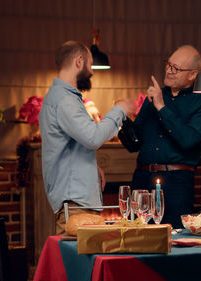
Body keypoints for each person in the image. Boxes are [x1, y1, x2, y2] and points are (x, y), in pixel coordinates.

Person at [39, 41, 135, 234]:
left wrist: (91, 168)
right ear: (79, 61)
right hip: (76, 206)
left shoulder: (59, 97)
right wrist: (120, 110)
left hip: (75, 202)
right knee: (79, 264)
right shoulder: (65, 100)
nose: (91, 72)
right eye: (90, 65)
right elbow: (93, 137)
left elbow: (69, 143)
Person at [129, 45, 201, 228]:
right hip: (142, 180)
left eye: (176, 68)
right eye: (168, 65)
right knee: (135, 236)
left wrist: (161, 107)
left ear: (192, 75)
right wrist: (121, 117)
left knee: (174, 239)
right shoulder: (153, 96)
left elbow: (188, 140)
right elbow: (132, 144)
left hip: (176, 183)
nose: (169, 71)